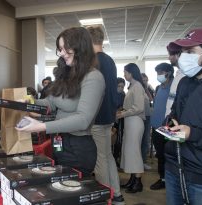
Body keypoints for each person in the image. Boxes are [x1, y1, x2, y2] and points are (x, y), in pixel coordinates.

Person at [16, 27, 105, 177]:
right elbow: (51, 103)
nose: (62, 53)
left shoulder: (93, 77)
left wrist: (42, 126)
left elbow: (83, 120)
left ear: (80, 47)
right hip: (59, 143)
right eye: (60, 49)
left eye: (66, 49)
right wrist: (29, 102)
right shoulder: (67, 74)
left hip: (77, 147)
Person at [164, 28, 202, 205]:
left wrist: (192, 134)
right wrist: (169, 123)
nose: (183, 57)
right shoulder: (184, 82)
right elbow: (175, 115)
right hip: (174, 168)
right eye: (183, 52)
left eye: (191, 52)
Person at [86, 26, 124, 204]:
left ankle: (105, 197)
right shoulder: (110, 60)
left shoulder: (93, 61)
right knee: (107, 157)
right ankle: (116, 194)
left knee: (100, 159)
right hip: (108, 115)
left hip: (98, 117)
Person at [117, 63, 147, 193]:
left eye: (125, 72)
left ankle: (138, 182)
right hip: (130, 122)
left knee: (134, 152)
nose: (124, 75)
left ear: (131, 72)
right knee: (129, 151)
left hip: (135, 121)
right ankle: (132, 179)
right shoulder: (133, 86)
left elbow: (138, 108)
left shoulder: (138, 86)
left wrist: (122, 113)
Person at [149, 63, 174, 190]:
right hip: (156, 127)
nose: (158, 75)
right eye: (157, 73)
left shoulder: (175, 87)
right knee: (160, 155)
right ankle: (163, 179)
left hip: (169, 128)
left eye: (160, 72)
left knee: (171, 155)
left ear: (168, 73)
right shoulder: (158, 88)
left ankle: (172, 180)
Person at [165, 42, 184, 116]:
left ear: (178, 55)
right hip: (170, 119)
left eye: (170, 55)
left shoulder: (186, 75)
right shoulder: (178, 73)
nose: (168, 58)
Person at [140, 73, 154, 170]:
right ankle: (138, 161)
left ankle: (143, 160)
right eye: (143, 80)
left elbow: (151, 99)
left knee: (145, 139)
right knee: (139, 139)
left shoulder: (149, 89)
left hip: (148, 116)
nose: (145, 82)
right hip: (139, 116)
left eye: (146, 80)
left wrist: (146, 88)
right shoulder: (135, 88)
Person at [112, 77, 126, 166]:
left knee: (118, 140)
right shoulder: (111, 93)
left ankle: (115, 158)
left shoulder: (123, 94)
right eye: (119, 86)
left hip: (119, 119)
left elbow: (123, 105)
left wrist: (119, 109)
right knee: (110, 141)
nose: (120, 88)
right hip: (110, 119)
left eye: (122, 86)